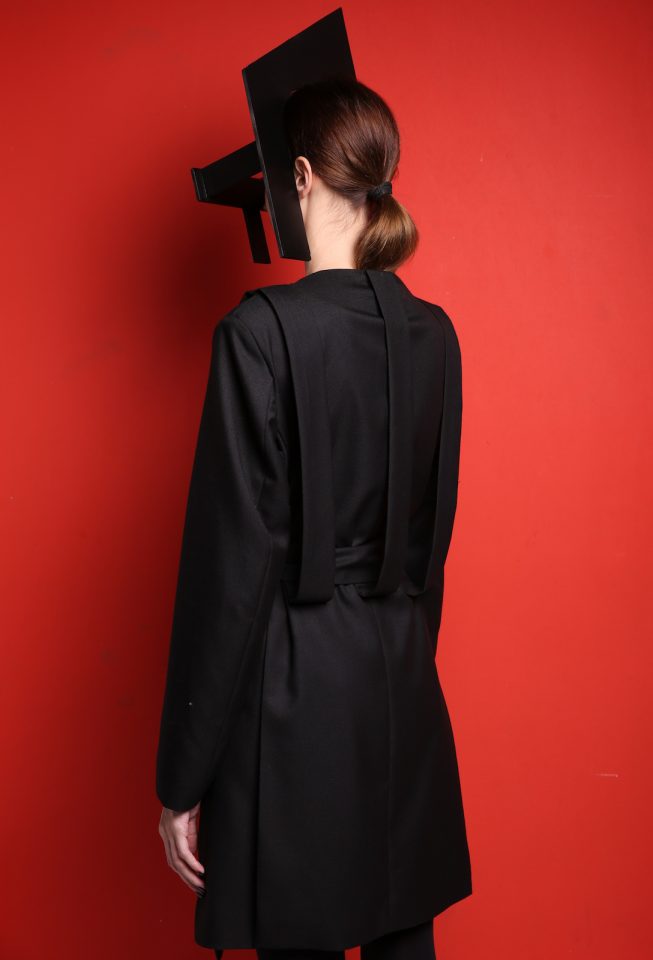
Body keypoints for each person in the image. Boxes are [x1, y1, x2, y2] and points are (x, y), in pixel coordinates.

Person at [156, 75, 472, 959]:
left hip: (293, 703)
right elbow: (431, 547)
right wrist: (400, 660)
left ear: (298, 176)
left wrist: (183, 776)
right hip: (402, 687)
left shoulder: (258, 331)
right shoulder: (435, 334)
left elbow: (229, 570)